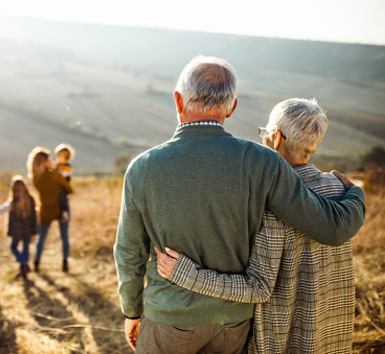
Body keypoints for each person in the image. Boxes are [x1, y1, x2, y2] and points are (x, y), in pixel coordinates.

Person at [113, 56, 366, 353]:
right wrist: (355, 195)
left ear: (178, 101)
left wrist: (132, 311)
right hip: (233, 323)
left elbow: (129, 253)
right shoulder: (262, 162)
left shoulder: (142, 167)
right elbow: (330, 228)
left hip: (168, 318)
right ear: (232, 107)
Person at [156, 98, 357, 353]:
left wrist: (187, 274)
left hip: (283, 340)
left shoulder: (268, 202)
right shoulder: (339, 189)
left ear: (275, 138)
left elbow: (259, 288)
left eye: (264, 133)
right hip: (332, 335)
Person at [27, 146, 73, 273]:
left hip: (45, 208)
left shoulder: (35, 178)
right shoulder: (55, 175)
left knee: (41, 237)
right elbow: (69, 188)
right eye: (49, 158)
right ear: (45, 161)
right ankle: (65, 263)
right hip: (61, 207)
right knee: (64, 236)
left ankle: (36, 263)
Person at [0, 175, 38, 279]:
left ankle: (24, 264)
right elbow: (35, 215)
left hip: (17, 230)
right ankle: (24, 267)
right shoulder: (31, 199)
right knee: (25, 248)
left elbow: (0, 210)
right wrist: (34, 228)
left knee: (13, 247)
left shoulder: (13, 202)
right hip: (28, 229)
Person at [53, 143, 75, 222]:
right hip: (57, 186)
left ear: (66, 157)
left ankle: (65, 211)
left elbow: (64, 175)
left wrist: (57, 171)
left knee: (62, 196)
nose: (58, 158)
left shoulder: (67, 167)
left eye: (60, 156)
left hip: (64, 186)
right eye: (57, 156)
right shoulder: (57, 165)